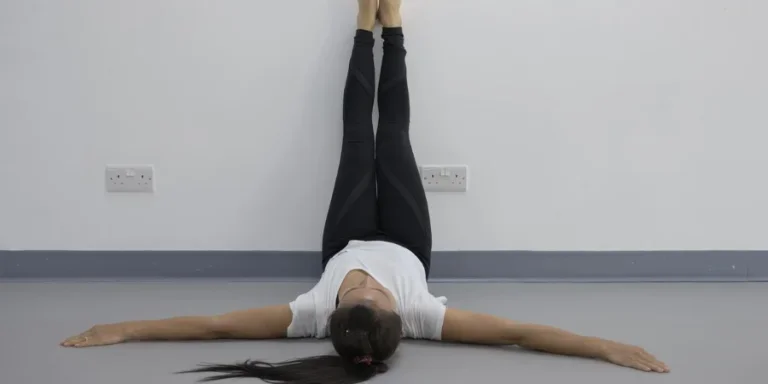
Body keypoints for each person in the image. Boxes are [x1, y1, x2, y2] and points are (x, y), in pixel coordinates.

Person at [60, 0, 670, 382]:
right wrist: (605, 347)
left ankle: (362, 23)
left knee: (357, 134)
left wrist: (125, 329)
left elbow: (215, 328)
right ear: (397, 314)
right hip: (407, 239)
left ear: (334, 313)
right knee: (395, 132)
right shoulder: (424, 314)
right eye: (371, 294)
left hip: (345, 232)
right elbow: (524, 334)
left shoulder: (311, 314)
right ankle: (394, 23)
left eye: (356, 291)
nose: (364, 284)